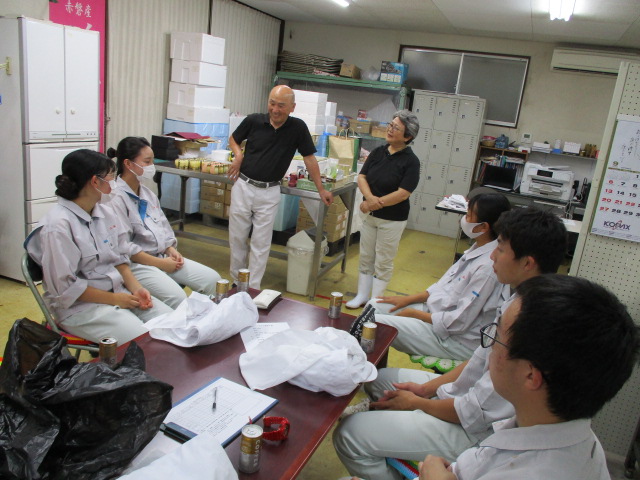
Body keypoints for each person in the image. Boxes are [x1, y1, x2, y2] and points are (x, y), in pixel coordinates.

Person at [333, 207, 568, 480]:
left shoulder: (526, 321)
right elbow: (479, 361)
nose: (493, 254)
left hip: (474, 428)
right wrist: (426, 389)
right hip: (465, 396)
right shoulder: (517, 298)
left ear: (527, 263)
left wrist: (419, 403)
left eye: (501, 249)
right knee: (380, 379)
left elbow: (475, 411)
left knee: (349, 433)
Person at [419, 274, 639, 480]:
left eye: (497, 336)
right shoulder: (569, 436)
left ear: (531, 375)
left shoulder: (531, 473)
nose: (490, 345)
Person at [25, 149, 173, 344]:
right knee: (145, 342)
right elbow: (66, 290)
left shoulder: (104, 211)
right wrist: (116, 300)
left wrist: (136, 288)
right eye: (111, 177)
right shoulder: (58, 226)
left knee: (172, 324)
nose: (114, 183)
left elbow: (119, 257)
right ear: (95, 182)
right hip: (80, 308)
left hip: (118, 292)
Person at [368, 193, 511, 359]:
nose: (462, 220)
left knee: (373, 324)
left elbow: (459, 322)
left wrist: (416, 315)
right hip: (437, 312)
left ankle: (367, 368)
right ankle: (373, 360)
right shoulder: (476, 249)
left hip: (455, 339)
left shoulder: (487, 268)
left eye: (468, 215)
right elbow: (443, 286)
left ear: (483, 227)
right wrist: (408, 299)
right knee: (373, 306)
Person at [227, 85, 333, 289]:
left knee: (261, 243)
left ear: (292, 107)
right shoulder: (254, 121)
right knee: (237, 239)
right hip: (243, 186)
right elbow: (234, 139)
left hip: (270, 192)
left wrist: (321, 189)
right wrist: (238, 155)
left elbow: (309, 158)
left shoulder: (298, 128)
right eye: (272, 104)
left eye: (281, 106)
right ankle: (236, 282)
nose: (275, 110)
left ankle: (253, 287)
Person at [108, 136, 221, 308]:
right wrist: (161, 264)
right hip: (137, 265)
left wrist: (170, 249)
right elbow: (124, 247)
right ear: (128, 164)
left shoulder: (147, 194)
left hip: (162, 256)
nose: (151, 166)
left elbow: (164, 227)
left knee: (213, 280)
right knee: (179, 298)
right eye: (147, 162)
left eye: (152, 161)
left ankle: (214, 319)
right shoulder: (115, 199)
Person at [345, 110, 421, 309]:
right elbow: (362, 176)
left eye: (396, 127)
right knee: (366, 256)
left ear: (407, 136)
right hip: (370, 216)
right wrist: (370, 199)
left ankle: (375, 301)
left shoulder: (411, 161)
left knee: (384, 260)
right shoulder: (378, 152)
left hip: (392, 219)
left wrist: (373, 203)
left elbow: (403, 193)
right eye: (390, 124)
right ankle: (362, 295)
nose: (390, 129)